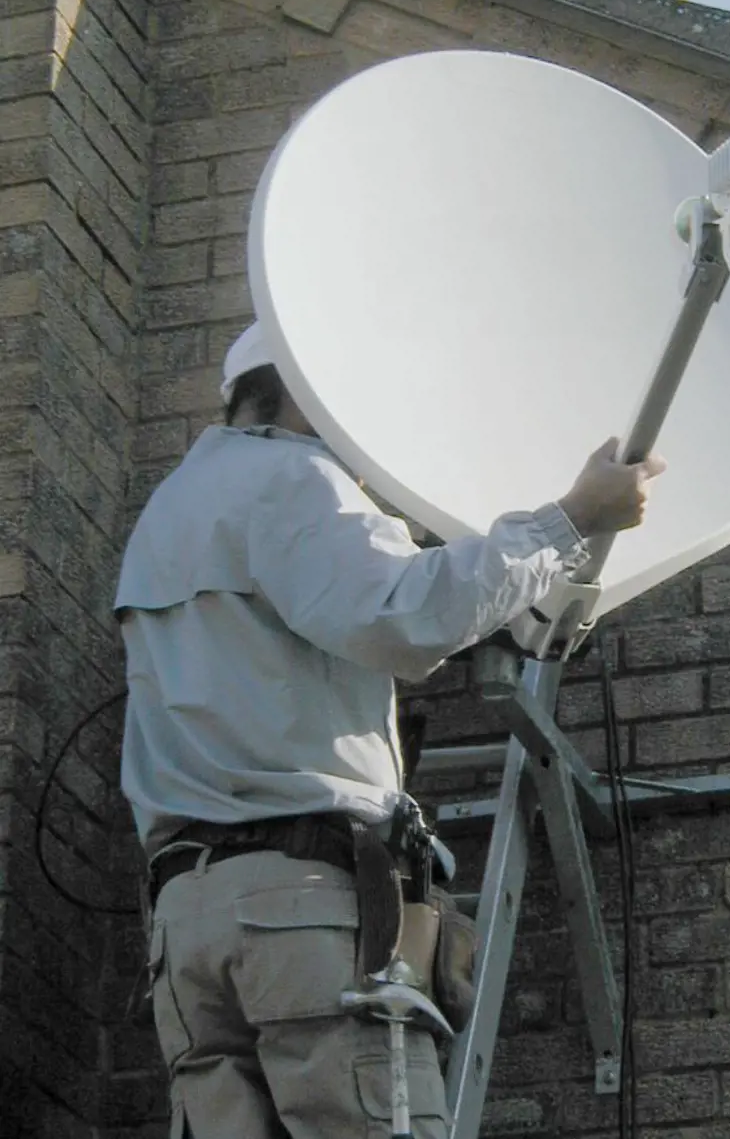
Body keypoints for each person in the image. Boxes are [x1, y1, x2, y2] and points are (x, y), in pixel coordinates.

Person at [116, 319, 666, 1139]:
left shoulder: (170, 508)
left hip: (188, 923)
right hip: (296, 907)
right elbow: (402, 616)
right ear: (307, 393)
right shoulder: (294, 477)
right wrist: (572, 519)